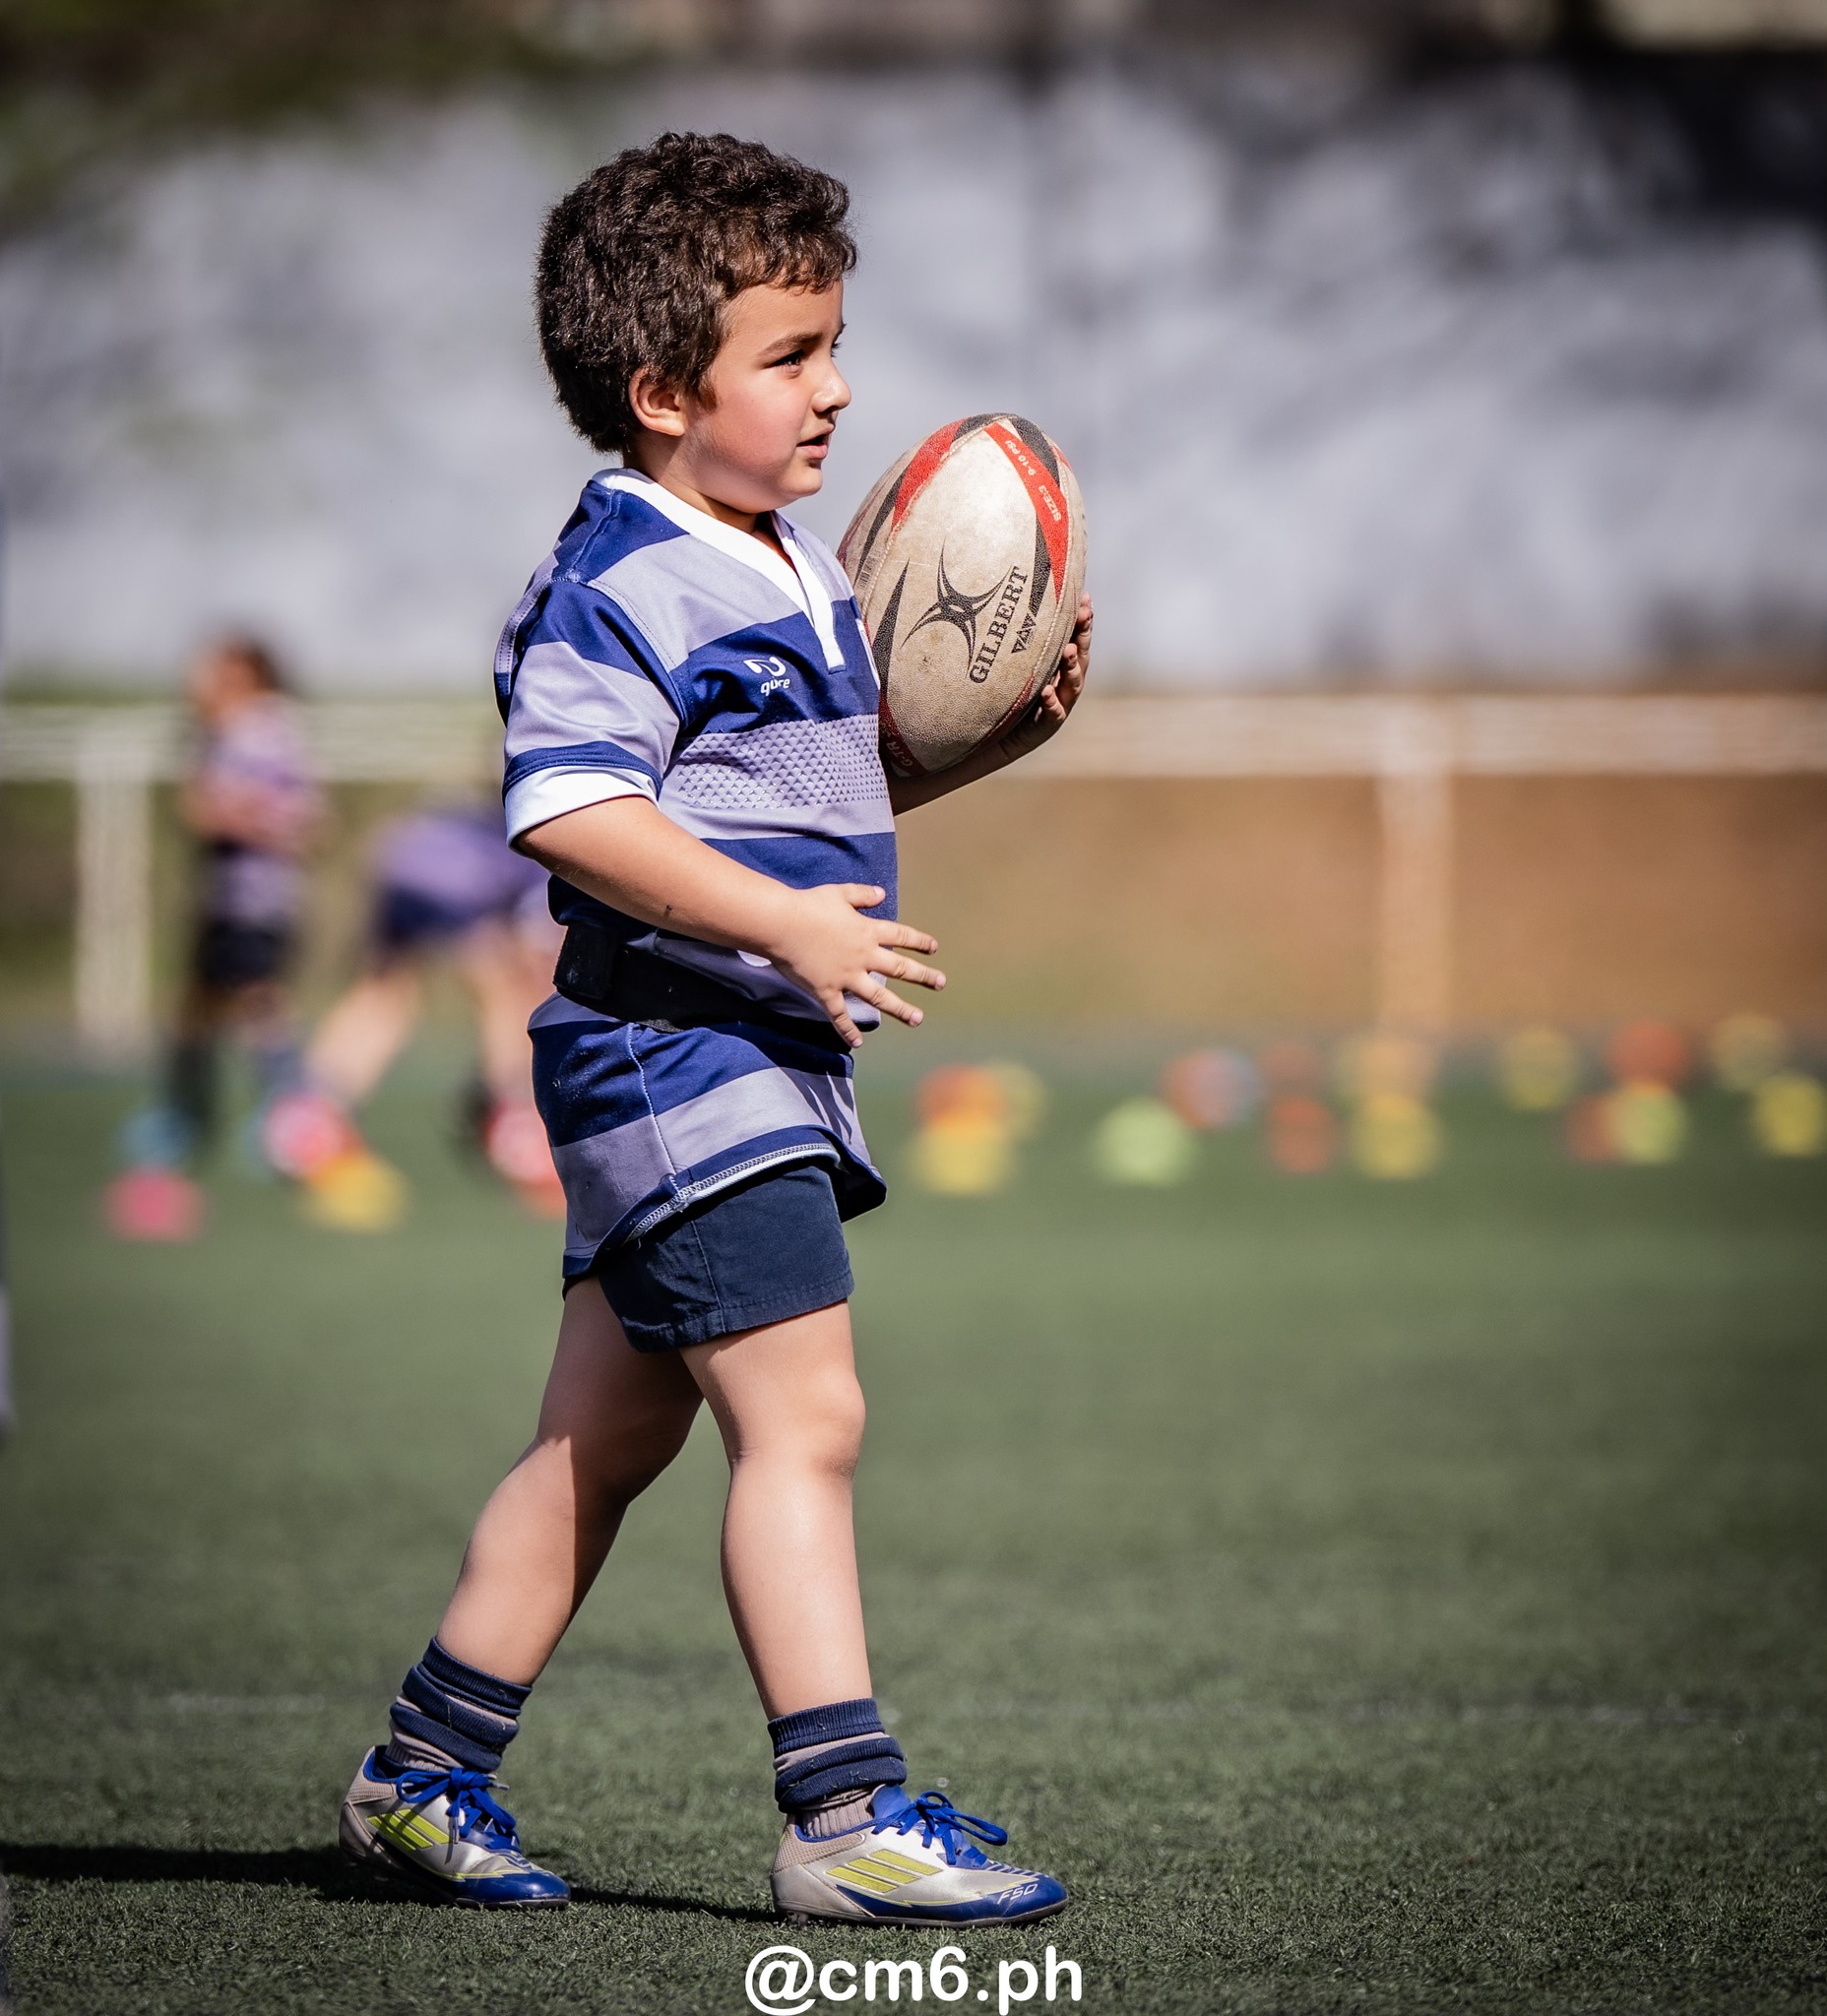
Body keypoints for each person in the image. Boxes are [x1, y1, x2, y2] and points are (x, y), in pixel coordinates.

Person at [337, 132, 1092, 1924]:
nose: (838, 388)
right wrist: (774, 923)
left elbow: (803, 798)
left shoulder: (794, 566)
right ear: (663, 389)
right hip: (681, 1056)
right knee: (806, 1416)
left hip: (735, 1054)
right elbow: (572, 807)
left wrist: (982, 746)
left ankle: (420, 1774)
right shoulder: (621, 575)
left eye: (838, 343)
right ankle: (842, 1814)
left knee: (601, 1443)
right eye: (794, 354)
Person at [107, 634, 319, 1240]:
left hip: (254, 900)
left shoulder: (259, 727)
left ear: (245, 673)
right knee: (200, 1008)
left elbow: (293, 814)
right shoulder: (228, 729)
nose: (197, 678)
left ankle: (288, 1127)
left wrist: (227, 809)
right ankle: (187, 1120)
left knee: (260, 1006)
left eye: (212, 668)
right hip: (229, 900)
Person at [272, 803, 564, 1218]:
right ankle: (514, 1130)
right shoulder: (561, 834)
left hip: (398, 854)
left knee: (385, 993)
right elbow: (537, 952)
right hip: (455, 872)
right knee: (506, 993)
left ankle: (307, 1120)